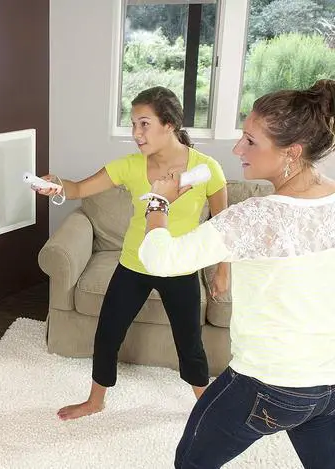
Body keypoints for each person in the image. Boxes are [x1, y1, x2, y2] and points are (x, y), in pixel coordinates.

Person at [138, 79, 335, 468]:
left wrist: (158, 201)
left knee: (191, 462)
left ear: (292, 152)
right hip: (327, 385)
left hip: (267, 384)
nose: (237, 149)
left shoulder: (254, 217)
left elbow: (161, 260)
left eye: (250, 141)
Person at [37, 86, 229, 421]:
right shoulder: (129, 166)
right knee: (108, 334)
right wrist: (55, 184)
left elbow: (224, 225)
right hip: (134, 264)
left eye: (144, 124)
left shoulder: (206, 168)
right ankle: (95, 401)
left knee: (189, 344)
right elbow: (79, 188)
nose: (136, 134)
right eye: (133, 125)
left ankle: (206, 408)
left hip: (178, 267)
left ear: (169, 124)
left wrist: (223, 270)